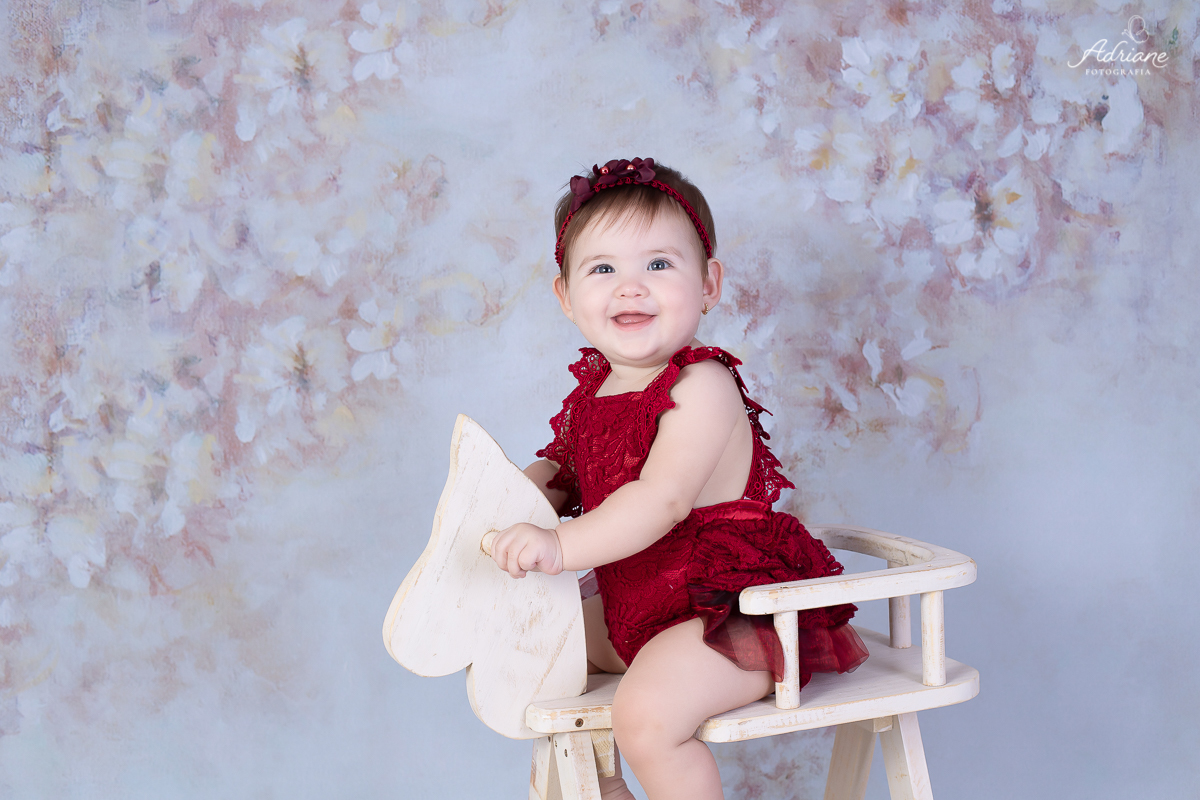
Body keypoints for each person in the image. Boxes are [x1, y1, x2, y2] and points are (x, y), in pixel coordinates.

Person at [488, 157, 868, 800]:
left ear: (709, 283)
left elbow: (659, 499)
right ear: (565, 296)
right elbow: (566, 473)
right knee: (537, 651)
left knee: (647, 717)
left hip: (727, 610)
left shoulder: (701, 384)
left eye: (659, 264)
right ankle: (602, 786)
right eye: (603, 269)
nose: (630, 288)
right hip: (639, 601)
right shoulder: (594, 393)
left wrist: (557, 545)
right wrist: (511, 497)